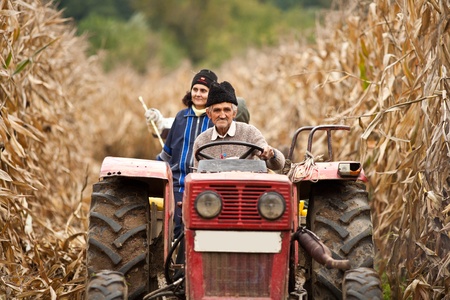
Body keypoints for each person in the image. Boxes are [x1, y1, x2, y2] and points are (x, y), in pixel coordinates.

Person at [145, 69, 217, 238]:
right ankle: (180, 263)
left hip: (207, 186)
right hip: (179, 184)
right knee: (180, 230)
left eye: (203, 91)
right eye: (195, 89)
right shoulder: (181, 117)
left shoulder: (216, 119)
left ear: (212, 94)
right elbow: (167, 154)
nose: (198, 94)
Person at [193, 81, 285, 171]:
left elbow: (278, 165)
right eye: (217, 110)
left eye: (227, 110)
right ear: (209, 114)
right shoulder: (201, 141)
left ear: (234, 113)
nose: (222, 115)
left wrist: (271, 154)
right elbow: (197, 175)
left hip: (246, 185)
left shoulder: (249, 132)